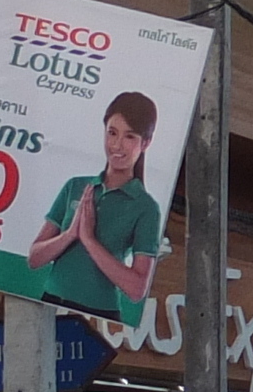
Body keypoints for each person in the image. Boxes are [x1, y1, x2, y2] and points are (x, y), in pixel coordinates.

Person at [28, 89, 166, 320]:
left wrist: (89, 239)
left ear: (146, 143)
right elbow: (34, 258)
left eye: (129, 136)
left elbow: (136, 289)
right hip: (49, 303)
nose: (117, 145)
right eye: (112, 133)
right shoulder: (76, 186)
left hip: (98, 315)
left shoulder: (146, 207)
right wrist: (71, 234)